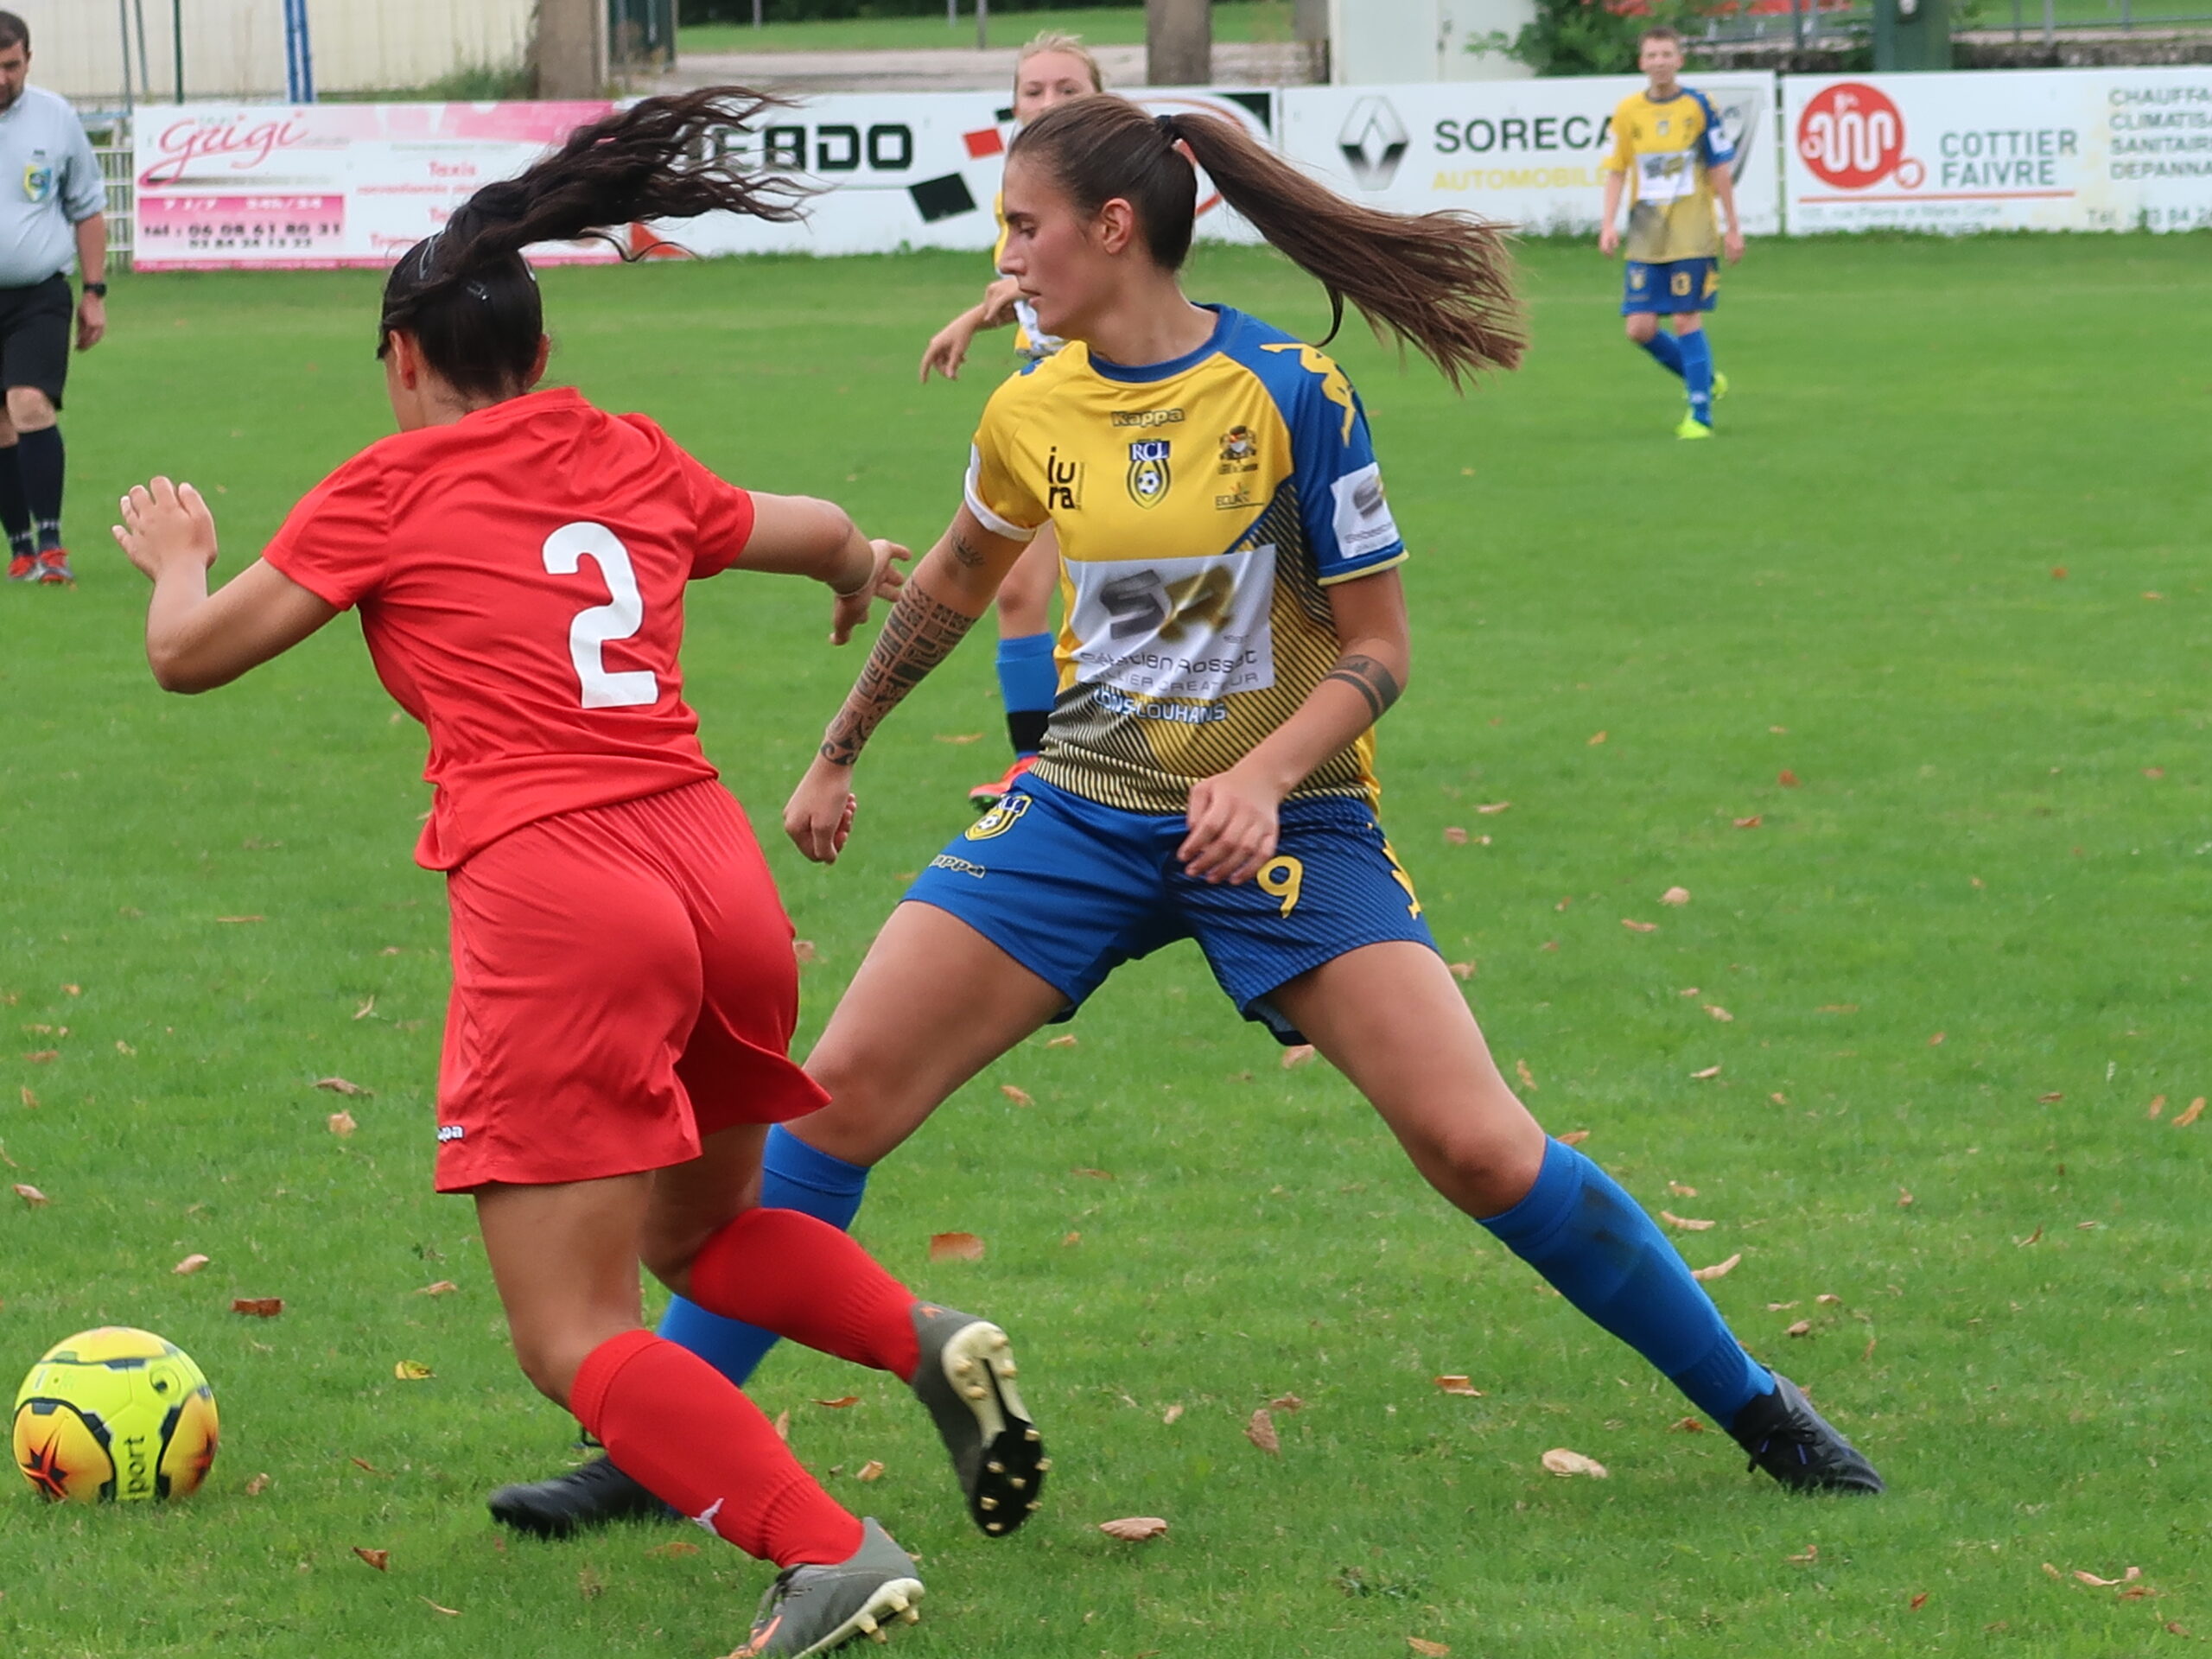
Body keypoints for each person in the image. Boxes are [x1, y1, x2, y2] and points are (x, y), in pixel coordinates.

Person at [497, 92, 1881, 1536]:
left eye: (1027, 228)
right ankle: (655, 1446)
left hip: (1294, 831)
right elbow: (961, 576)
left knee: (1478, 1147)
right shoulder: (1031, 405)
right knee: (831, 1108)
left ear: (1113, 228)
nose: (1010, 258)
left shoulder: (1292, 393)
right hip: (1082, 815)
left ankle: (1758, 1408)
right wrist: (839, 748)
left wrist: (1268, 775)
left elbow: (1381, 649)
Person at [110, 91, 1045, 1659]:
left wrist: (178, 554)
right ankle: (925, 1337)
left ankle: (825, 1552)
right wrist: (851, 568)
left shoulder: (384, 488)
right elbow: (803, 523)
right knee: (696, 1241)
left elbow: (190, 659)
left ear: (406, 358)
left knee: (571, 1331)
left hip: (561, 893)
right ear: (534, 355)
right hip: (713, 870)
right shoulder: (622, 448)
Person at [918, 33, 1101, 810]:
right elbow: (1028, 293)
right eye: (1034, 91)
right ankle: (1036, 768)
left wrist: (988, 309)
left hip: (1100, 402)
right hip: (1040, 401)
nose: (1049, 103)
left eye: (1068, 89)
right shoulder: (1021, 187)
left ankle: (1102, 759)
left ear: (1102, 97)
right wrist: (978, 316)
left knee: (1093, 594)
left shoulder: (1107, 187)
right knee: (1019, 592)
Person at [0, 10, 107, 584]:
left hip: (40, 292)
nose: (1, 78)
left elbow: (86, 208)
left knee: (29, 403)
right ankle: (20, 548)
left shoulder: (55, 117)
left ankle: (52, 545)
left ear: (28, 59)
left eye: (10, 66)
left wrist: (94, 291)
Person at [1598, 25, 1742, 442]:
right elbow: (1617, 170)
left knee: (1684, 317)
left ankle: (1699, 415)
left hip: (1693, 229)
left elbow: (1719, 168)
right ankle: (1705, 378)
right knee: (1639, 329)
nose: (1659, 62)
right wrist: (1608, 224)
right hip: (1646, 231)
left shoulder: (1700, 106)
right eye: (1652, 55)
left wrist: (1733, 227)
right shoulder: (1628, 111)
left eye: (1667, 55)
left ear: (1679, 60)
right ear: (1642, 62)